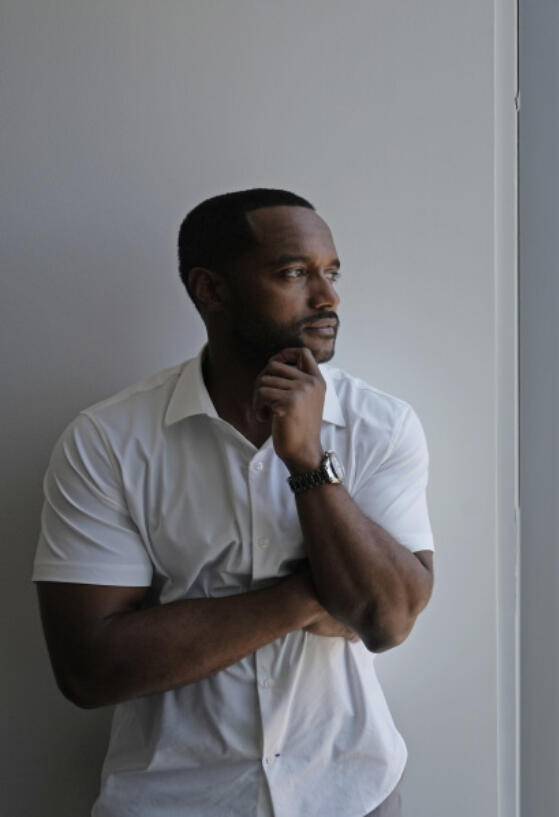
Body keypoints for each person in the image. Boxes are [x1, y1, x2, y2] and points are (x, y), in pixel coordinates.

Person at [32, 189, 435, 817]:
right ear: (211, 290)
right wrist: (316, 593)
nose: (328, 298)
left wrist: (309, 466)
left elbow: (386, 621)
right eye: (294, 273)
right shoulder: (108, 441)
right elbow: (91, 669)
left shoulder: (381, 426)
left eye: (331, 272)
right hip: (173, 801)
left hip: (349, 794)